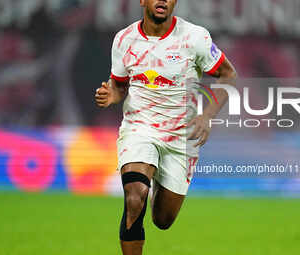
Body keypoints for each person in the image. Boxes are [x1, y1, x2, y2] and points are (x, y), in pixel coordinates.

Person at [95, 0, 237, 254]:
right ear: (142, 1)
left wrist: (206, 117)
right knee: (135, 197)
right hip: (140, 128)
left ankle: (159, 180)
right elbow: (118, 86)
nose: (162, 0)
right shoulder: (124, 39)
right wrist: (111, 96)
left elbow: (228, 75)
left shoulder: (195, 38)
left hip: (182, 137)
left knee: (163, 220)